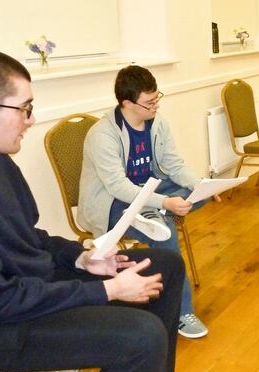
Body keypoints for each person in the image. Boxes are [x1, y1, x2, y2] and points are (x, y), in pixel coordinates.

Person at [0, 47, 200, 372]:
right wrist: (106, 291)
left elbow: (31, 238)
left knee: (161, 264)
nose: (31, 119)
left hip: (28, 289)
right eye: (24, 108)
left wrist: (81, 257)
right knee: (140, 337)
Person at [78, 65, 208, 338]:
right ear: (128, 103)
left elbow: (173, 164)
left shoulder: (158, 122)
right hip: (112, 202)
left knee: (197, 195)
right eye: (149, 102)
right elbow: (118, 186)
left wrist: (199, 185)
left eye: (156, 97)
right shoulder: (102, 134)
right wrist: (164, 203)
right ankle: (182, 312)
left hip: (148, 188)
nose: (156, 106)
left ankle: (153, 215)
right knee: (166, 235)